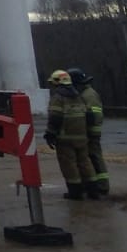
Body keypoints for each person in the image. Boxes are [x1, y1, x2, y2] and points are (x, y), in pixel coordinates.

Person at [44, 71, 99, 200]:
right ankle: (93, 190)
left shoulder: (58, 97)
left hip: (65, 139)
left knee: (69, 165)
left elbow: (55, 117)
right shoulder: (79, 95)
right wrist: (89, 132)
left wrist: (50, 134)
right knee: (85, 163)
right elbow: (90, 116)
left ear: (57, 82)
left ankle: (75, 192)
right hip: (82, 137)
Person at [68, 67, 109, 197]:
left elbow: (94, 115)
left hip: (91, 133)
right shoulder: (84, 93)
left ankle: (102, 186)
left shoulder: (89, 95)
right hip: (87, 133)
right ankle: (93, 185)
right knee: (89, 159)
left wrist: (87, 129)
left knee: (95, 158)